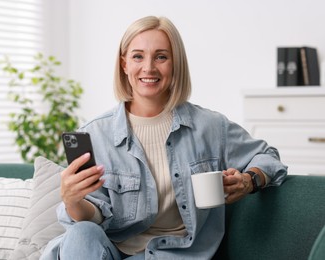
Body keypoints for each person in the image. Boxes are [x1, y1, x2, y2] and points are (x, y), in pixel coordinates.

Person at [41, 16, 287, 260]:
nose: (149, 67)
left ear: (175, 63)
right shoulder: (96, 133)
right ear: (124, 64)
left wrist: (249, 180)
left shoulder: (209, 127)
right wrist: (72, 201)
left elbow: (268, 157)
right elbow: (94, 218)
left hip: (173, 254)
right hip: (110, 251)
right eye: (138, 56)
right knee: (81, 233)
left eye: (161, 56)